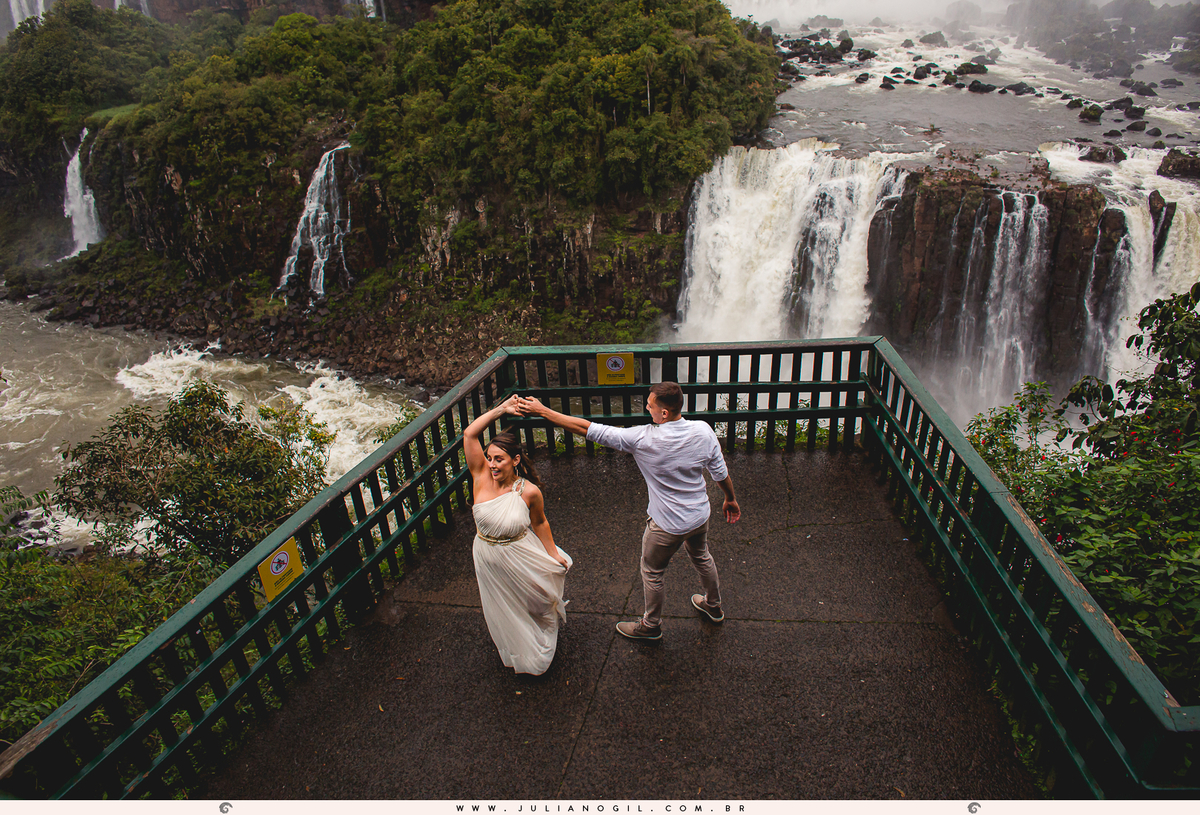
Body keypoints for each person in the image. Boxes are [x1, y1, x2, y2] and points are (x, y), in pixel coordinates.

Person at [518, 382, 739, 641]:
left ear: (664, 413)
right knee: (702, 557)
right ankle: (713, 606)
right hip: (699, 515)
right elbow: (719, 472)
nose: (646, 407)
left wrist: (544, 411)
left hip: (666, 525)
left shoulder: (644, 439)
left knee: (653, 572)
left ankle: (651, 625)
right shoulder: (703, 431)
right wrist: (730, 499)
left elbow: (587, 428)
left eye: (650, 404)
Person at [464, 395, 572, 674]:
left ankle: (540, 630)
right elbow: (469, 433)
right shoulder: (480, 478)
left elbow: (540, 524)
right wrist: (501, 409)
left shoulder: (529, 492)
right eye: (488, 458)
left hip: (518, 551)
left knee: (536, 596)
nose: (492, 465)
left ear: (514, 460)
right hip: (486, 555)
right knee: (503, 604)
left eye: (498, 459)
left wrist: (552, 554)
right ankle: (518, 646)